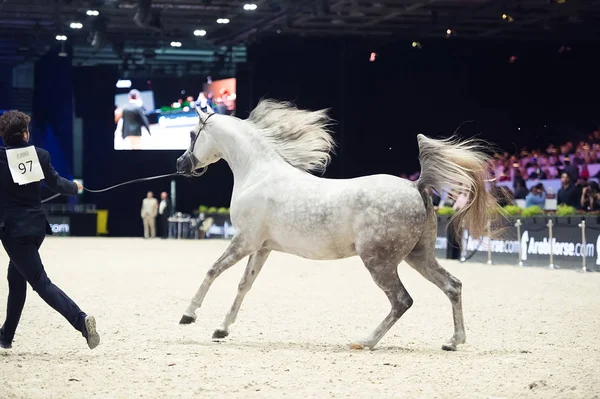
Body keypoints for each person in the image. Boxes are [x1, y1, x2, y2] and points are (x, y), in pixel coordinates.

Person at [0, 110, 100, 350]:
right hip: (36, 228)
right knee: (16, 277)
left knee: (40, 282)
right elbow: (56, 183)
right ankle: (6, 335)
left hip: (14, 232)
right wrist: (75, 188)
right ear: (25, 134)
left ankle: (80, 320)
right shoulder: (39, 155)